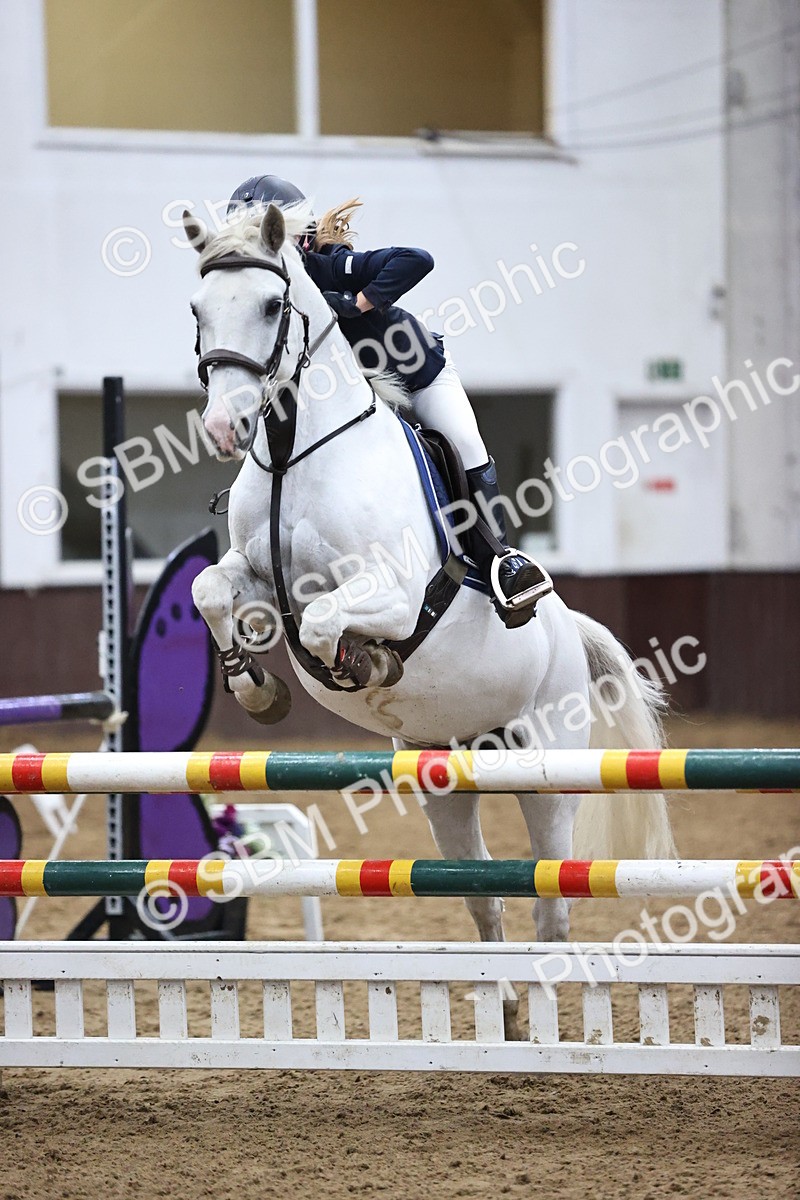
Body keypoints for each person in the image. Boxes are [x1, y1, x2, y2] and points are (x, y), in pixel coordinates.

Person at [227, 175, 551, 627]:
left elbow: (417, 260)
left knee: (464, 444)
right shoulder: (271, 290)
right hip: (365, 393)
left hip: (417, 374)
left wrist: (356, 303)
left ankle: (502, 562)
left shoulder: (331, 263)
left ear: (297, 235)